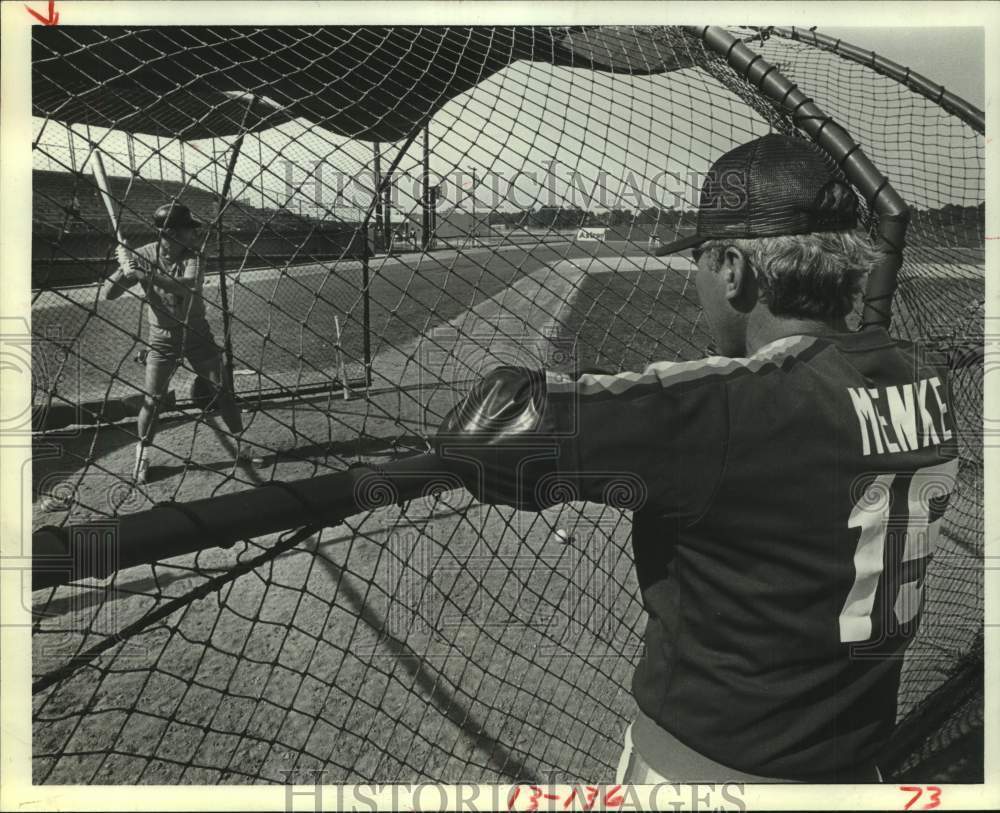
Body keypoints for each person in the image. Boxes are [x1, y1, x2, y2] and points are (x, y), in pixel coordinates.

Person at [431, 134, 958, 783]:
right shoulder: (924, 380)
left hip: (709, 776)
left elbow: (486, 429)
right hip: (857, 771)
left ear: (734, 270)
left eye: (703, 262)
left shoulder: (729, 406)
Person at [102, 202, 264, 484]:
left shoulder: (195, 255)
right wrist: (124, 268)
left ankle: (242, 445)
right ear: (172, 233)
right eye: (189, 229)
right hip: (161, 339)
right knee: (153, 401)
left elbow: (187, 286)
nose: (194, 234)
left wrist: (141, 272)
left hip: (197, 334)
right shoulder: (142, 255)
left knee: (222, 390)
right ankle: (142, 455)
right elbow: (109, 294)